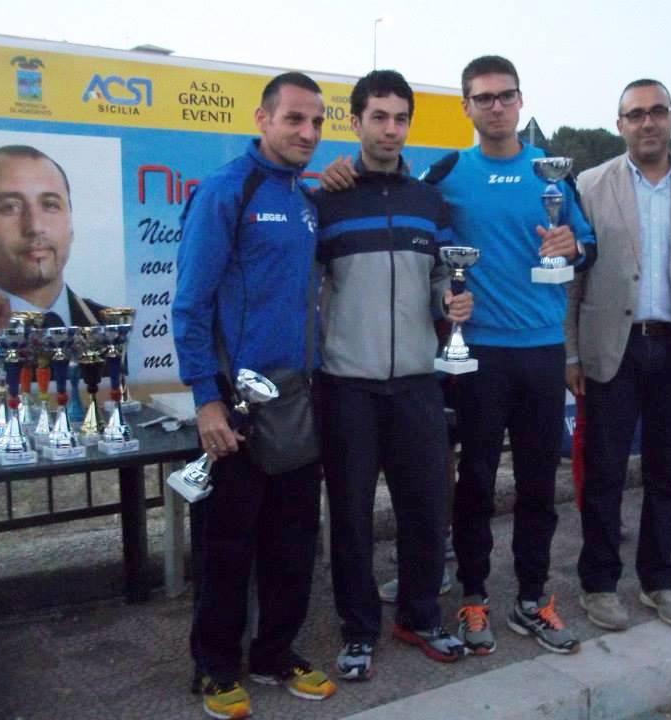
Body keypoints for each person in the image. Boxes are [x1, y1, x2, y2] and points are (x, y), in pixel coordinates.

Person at [321, 56, 595, 657]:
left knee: (537, 485)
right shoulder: (443, 176)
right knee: (473, 484)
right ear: (466, 107)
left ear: (520, 101)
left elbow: (587, 245)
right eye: (484, 98)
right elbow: (407, 221)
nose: (496, 107)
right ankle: (473, 596)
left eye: (506, 96)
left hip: (542, 350)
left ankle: (533, 598)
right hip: (475, 355)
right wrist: (339, 170)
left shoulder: (553, 175)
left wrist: (572, 246)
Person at [172, 72, 335, 719]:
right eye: (295, 118)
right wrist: (206, 400)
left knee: (293, 541)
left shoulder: (304, 198)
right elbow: (190, 304)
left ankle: (274, 653)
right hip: (233, 404)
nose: (308, 132)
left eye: (317, 121)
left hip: (296, 398)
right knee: (227, 546)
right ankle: (214, 666)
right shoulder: (225, 190)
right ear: (262, 119)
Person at [313, 69, 470, 680]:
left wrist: (451, 301)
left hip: (417, 381)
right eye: (378, 117)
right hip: (347, 383)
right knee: (351, 516)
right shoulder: (327, 199)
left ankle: (420, 616)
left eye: (400, 118)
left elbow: (443, 277)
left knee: (426, 508)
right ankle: (358, 631)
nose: (390, 129)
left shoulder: (428, 202)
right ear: (355, 122)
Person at [566, 79, 671, 632]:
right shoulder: (590, 185)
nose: (647, 122)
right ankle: (598, 583)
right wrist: (570, 354)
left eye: (657, 111)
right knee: (605, 474)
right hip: (612, 348)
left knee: (668, 473)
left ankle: (659, 579)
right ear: (620, 125)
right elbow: (573, 279)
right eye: (635, 114)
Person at [0, 145, 105, 328]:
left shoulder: (118, 328)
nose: (35, 227)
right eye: (9, 207)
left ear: (70, 223)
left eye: (50, 205)